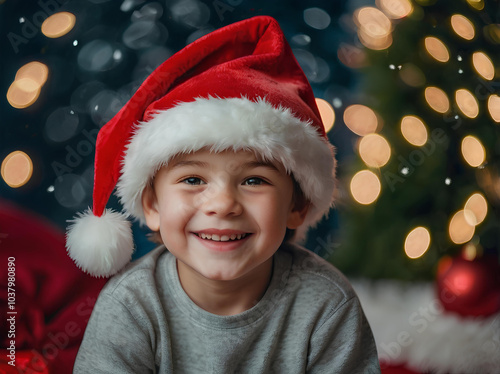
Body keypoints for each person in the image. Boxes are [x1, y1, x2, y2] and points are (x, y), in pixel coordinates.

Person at [67, 15, 380, 373]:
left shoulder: (326, 304)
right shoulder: (130, 305)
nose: (222, 204)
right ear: (152, 205)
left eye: (254, 181)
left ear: (297, 205)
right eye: (193, 180)